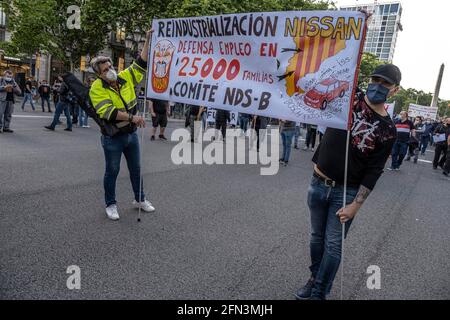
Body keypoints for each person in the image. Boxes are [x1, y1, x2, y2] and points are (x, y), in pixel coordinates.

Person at [295, 64, 400, 300]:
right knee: (315, 238)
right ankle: (314, 278)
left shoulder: (388, 130)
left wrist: (356, 205)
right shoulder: (349, 98)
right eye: (375, 79)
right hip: (318, 182)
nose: (378, 86)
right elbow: (322, 84)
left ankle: (320, 291)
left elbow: (374, 171)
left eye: (385, 83)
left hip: (347, 193)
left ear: (394, 90)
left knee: (333, 245)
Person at [88, 30, 154, 221]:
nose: (110, 70)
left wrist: (148, 39)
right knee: (112, 171)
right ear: (99, 75)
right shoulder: (96, 89)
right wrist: (133, 118)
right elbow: (108, 112)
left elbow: (140, 64)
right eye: (105, 69)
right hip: (113, 137)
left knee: (137, 169)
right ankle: (111, 204)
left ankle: (140, 199)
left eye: (110, 65)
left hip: (131, 135)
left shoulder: (124, 77)